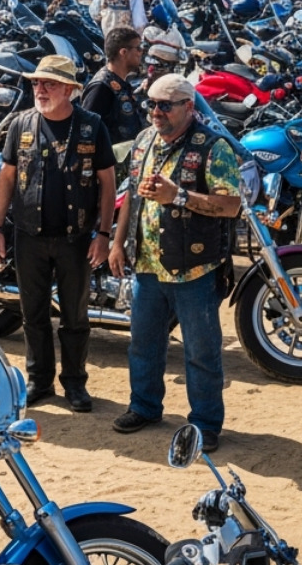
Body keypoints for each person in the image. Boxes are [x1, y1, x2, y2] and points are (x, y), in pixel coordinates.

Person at [109, 73, 242, 452]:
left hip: (194, 269)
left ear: (188, 106)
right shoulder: (144, 141)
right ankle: (145, 407)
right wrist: (119, 244)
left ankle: (204, 423)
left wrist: (179, 196)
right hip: (148, 265)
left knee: (201, 351)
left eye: (164, 105)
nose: (155, 112)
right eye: (151, 103)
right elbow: (131, 196)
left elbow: (230, 205)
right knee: (143, 344)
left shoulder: (214, 148)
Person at [0, 55, 115, 412]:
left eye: (50, 84)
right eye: (36, 83)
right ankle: (39, 380)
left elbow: (108, 184)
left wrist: (103, 234)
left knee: (75, 316)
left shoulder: (92, 126)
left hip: (75, 238)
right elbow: (7, 178)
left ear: (71, 91)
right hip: (29, 234)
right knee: (33, 313)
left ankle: (75, 383)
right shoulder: (21, 124)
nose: (40, 90)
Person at [80, 27, 146, 146]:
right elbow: (86, 132)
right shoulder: (101, 87)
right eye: (138, 48)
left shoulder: (120, 82)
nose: (141, 52)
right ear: (123, 53)